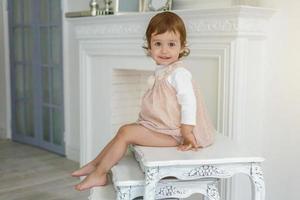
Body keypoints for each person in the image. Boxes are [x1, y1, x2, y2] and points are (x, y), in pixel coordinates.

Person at [72, 11, 215, 191]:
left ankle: (100, 174)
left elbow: (189, 102)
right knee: (124, 129)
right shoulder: (163, 70)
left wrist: (187, 131)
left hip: (176, 134)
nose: (164, 50)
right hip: (162, 126)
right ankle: (95, 164)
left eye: (171, 44)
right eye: (158, 44)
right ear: (149, 47)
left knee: (126, 133)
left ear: (182, 46)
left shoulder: (179, 73)